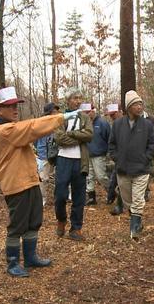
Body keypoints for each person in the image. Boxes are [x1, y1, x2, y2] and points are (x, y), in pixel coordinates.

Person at [0, 86, 78, 277]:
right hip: (16, 185)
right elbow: (33, 128)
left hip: (29, 181)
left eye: (16, 105)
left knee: (34, 220)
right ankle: (12, 262)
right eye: (9, 106)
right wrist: (61, 117)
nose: (15, 109)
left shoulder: (13, 127)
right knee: (17, 224)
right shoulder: (4, 130)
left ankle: (30, 257)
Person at [108, 90, 154, 239]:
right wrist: (118, 158)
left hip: (141, 169)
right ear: (129, 107)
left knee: (137, 200)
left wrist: (146, 158)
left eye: (141, 103)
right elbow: (112, 145)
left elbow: (153, 144)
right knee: (128, 200)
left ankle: (134, 230)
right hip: (122, 170)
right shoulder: (117, 124)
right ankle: (137, 220)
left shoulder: (147, 124)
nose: (140, 107)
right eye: (136, 104)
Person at [54, 88, 93, 241]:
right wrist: (78, 137)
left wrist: (70, 134)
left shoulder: (85, 117)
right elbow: (59, 138)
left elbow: (89, 135)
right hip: (63, 159)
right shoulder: (60, 117)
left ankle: (76, 228)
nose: (78, 101)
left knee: (79, 196)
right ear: (68, 100)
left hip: (80, 161)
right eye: (75, 98)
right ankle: (61, 219)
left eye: (80, 98)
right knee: (60, 194)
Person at [84, 104, 111, 205]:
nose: (88, 114)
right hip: (87, 154)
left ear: (93, 111)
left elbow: (109, 138)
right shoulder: (85, 124)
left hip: (99, 154)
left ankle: (111, 191)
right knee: (89, 176)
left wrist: (108, 153)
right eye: (85, 112)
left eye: (89, 112)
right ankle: (91, 197)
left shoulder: (102, 123)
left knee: (101, 176)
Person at [34, 102, 60, 206]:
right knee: (43, 179)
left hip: (58, 154)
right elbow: (35, 140)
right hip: (44, 155)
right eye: (54, 111)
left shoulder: (59, 124)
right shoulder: (40, 125)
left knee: (61, 176)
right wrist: (41, 150)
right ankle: (42, 200)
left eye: (57, 111)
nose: (56, 113)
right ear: (48, 113)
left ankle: (61, 197)